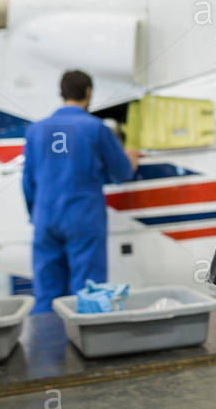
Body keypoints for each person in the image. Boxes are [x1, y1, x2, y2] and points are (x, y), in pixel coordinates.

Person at [22, 70, 139, 312]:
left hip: (45, 219)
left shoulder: (35, 130)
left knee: (46, 294)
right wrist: (131, 161)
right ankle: (85, 346)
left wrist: (36, 215)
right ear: (88, 93)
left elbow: (27, 182)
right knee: (88, 292)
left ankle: (46, 347)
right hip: (83, 219)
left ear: (61, 93)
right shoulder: (96, 128)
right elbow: (121, 173)